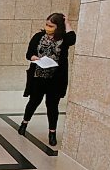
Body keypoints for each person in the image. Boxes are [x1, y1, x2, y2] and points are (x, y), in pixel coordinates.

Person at [17, 13, 76, 146]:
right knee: (34, 102)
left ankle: (52, 133)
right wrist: (34, 58)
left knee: (52, 106)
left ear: (58, 27)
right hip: (38, 76)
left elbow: (72, 39)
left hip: (55, 80)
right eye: (47, 24)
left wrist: (67, 23)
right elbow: (29, 54)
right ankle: (24, 123)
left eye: (51, 25)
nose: (48, 27)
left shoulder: (63, 39)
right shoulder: (38, 37)